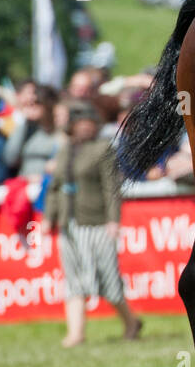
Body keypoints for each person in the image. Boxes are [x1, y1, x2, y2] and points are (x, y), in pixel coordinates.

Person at [42, 101, 141, 347]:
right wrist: (48, 217)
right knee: (73, 278)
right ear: (72, 126)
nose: (86, 127)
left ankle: (130, 321)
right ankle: (76, 333)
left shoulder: (102, 149)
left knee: (108, 278)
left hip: (97, 222)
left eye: (89, 122)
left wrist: (113, 220)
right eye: (81, 123)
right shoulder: (65, 151)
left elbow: (112, 189)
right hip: (70, 222)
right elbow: (55, 187)